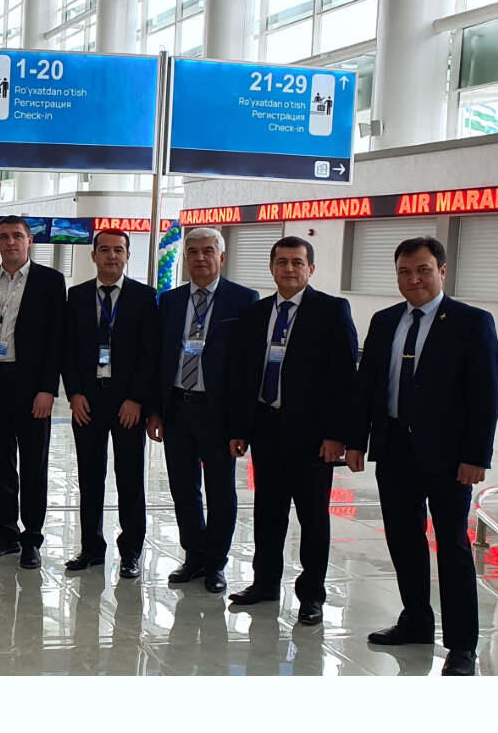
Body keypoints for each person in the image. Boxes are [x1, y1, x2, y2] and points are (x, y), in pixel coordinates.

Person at [347, 237, 498, 676]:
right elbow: (367, 388)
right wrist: (357, 441)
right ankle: (415, 620)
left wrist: (476, 456)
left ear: (442, 271)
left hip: (451, 457)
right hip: (394, 448)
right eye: (404, 272)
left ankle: (462, 645)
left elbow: (485, 394)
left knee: (451, 545)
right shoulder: (384, 321)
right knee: (403, 539)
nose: (413, 279)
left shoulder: (472, 323)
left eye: (423, 270)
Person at [227, 235, 357, 626]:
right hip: (266, 428)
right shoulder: (256, 313)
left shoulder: (332, 311)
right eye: (282, 262)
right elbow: (242, 376)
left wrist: (337, 435)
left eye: (297, 263)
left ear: (310, 269)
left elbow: (344, 379)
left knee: (313, 517)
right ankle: (265, 583)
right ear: (272, 267)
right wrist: (239, 428)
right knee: (268, 513)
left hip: (314, 437)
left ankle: (312, 595)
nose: (289, 269)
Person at [146, 228, 258, 594]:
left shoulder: (244, 300)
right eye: (192, 252)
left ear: (221, 257)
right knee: (183, 487)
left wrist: (241, 424)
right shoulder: (171, 301)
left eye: (208, 251)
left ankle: (216, 562)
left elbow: (246, 369)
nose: (199, 258)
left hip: (218, 412)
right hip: (178, 406)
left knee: (221, 490)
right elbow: (159, 356)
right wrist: (156, 410)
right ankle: (193, 555)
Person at [0, 215, 65, 569]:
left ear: (30, 241)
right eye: (4, 237)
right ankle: (6, 532)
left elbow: (57, 341)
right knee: (1, 462)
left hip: (31, 386)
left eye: (17, 236)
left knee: (34, 464)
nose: (11, 242)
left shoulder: (51, 281)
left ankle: (32, 538)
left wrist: (47, 390)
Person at [62, 229, 158, 579]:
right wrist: (74, 393)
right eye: (105, 250)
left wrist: (137, 399)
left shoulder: (146, 298)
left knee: (130, 478)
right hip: (87, 400)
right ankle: (91, 548)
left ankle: (131, 551)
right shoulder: (77, 296)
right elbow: (67, 350)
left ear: (127, 255)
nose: (112, 256)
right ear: (94, 256)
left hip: (127, 403)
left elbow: (151, 355)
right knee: (89, 477)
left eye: (119, 250)